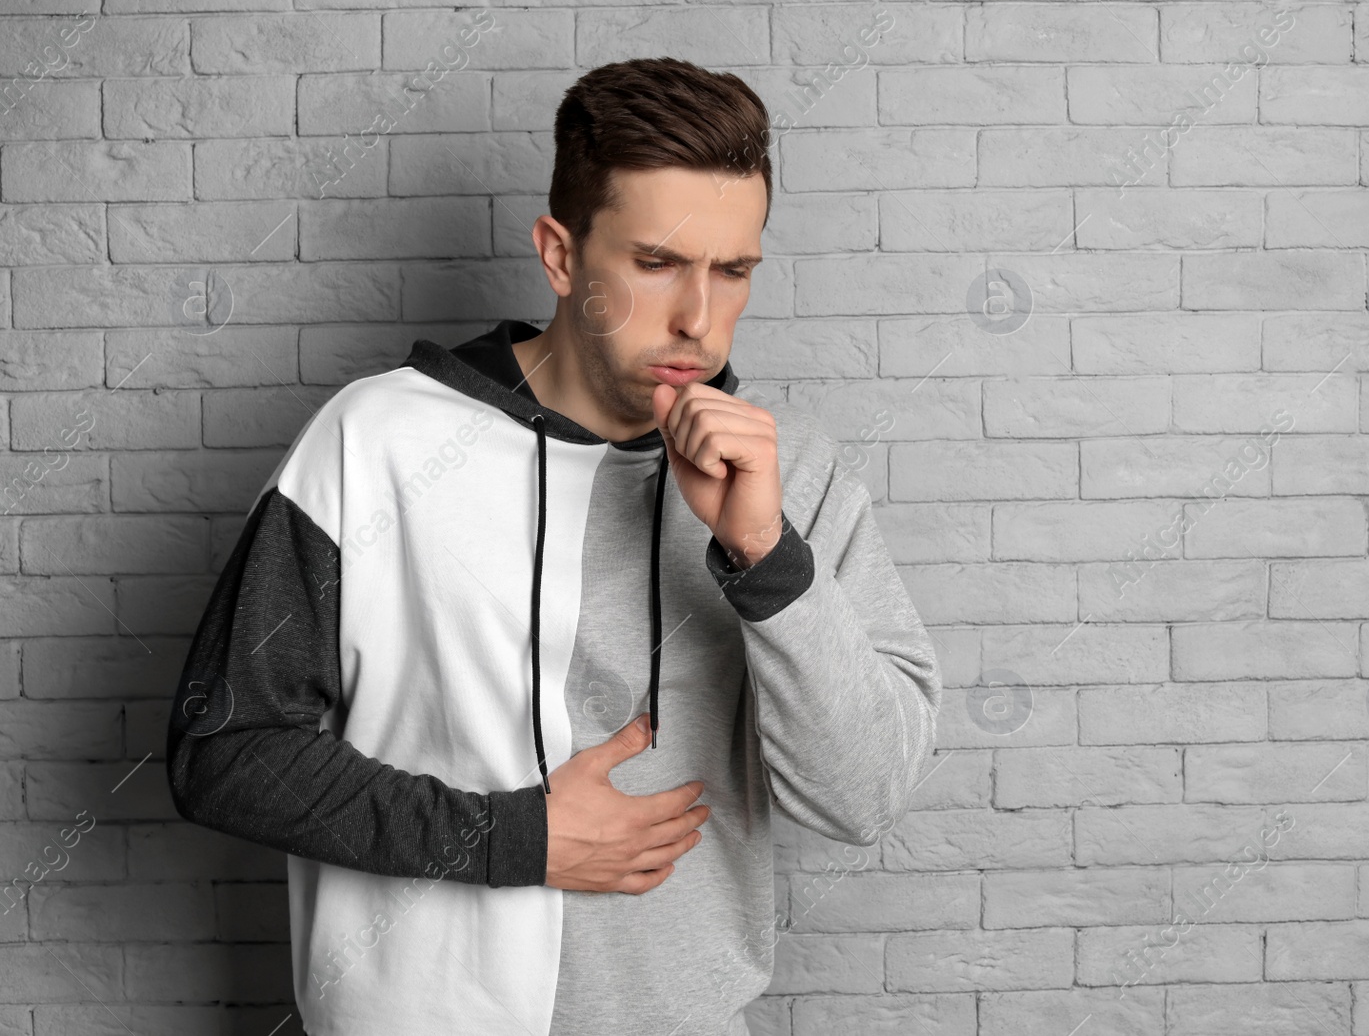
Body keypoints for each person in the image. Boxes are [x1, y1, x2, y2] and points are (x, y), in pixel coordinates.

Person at [165, 55, 942, 1036]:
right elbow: (222, 751)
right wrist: (507, 836)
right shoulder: (377, 442)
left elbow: (861, 796)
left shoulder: (795, 480)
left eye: (732, 270)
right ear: (562, 254)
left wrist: (763, 554)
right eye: (656, 263)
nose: (698, 318)